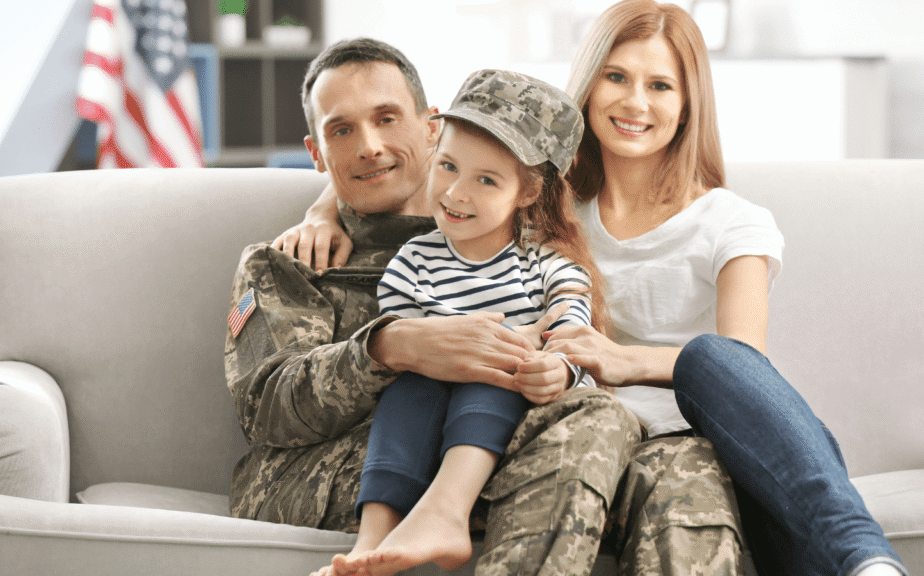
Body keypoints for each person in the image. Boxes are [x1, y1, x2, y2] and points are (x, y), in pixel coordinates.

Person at [276, 3, 910, 576]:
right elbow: (422, 163)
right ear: (587, 85)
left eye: (660, 85)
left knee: (709, 391)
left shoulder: (731, 222)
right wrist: (323, 210)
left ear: (688, 104)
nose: (636, 102)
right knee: (596, 432)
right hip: (570, 420)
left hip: (687, 429)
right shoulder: (543, 205)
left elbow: (746, 368)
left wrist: (623, 359)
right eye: (617, 77)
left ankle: (862, 557)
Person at [225, 37, 639, 576]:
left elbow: (571, 330)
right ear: (316, 154)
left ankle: (450, 513)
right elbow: (266, 408)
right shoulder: (288, 263)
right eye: (341, 130)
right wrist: (391, 347)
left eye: (386, 118)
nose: (369, 146)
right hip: (343, 473)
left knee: (617, 429)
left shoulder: (510, 240)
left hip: (496, 439)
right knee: (586, 436)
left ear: (429, 127)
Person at [314, 68, 611, 576]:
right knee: (408, 390)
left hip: (507, 397)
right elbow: (408, 334)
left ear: (526, 191)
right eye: (448, 166)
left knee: (496, 368)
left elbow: (573, 334)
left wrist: (559, 369)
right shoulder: (415, 259)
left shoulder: (545, 265)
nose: (456, 193)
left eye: (486, 179)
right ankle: (374, 535)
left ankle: (447, 511)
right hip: (427, 395)